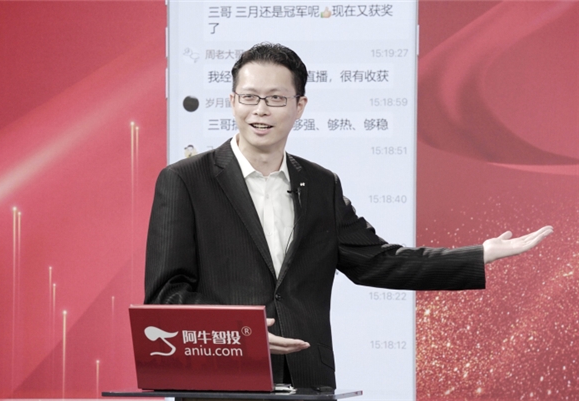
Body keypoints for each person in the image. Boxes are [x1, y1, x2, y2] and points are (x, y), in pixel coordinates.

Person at [144, 42, 552, 388]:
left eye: (276, 99)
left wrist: (478, 255)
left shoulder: (321, 184)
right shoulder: (186, 181)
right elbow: (166, 295)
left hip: (308, 381)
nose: (260, 110)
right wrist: (240, 335)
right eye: (249, 97)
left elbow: (377, 261)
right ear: (233, 101)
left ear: (300, 106)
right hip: (221, 380)